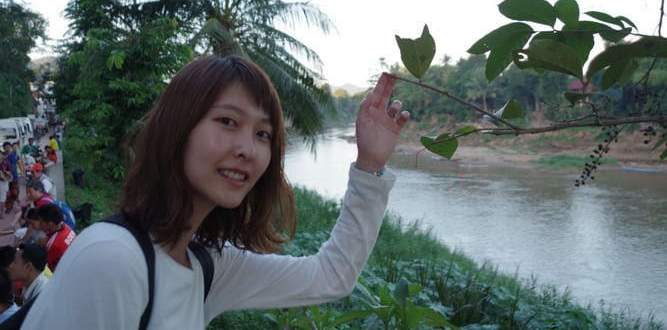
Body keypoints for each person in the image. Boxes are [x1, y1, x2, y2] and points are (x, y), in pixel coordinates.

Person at [21, 55, 409, 329]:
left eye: (263, 133)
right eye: (227, 121)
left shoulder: (206, 265)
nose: (248, 149)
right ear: (178, 127)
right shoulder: (111, 258)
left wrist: (370, 167)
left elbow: (330, 277)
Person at [35, 204, 75, 272]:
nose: (39, 225)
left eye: (41, 223)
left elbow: (41, 264)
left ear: (50, 224)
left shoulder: (53, 245)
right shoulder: (64, 225)